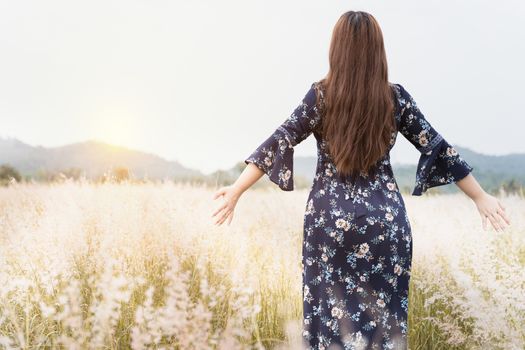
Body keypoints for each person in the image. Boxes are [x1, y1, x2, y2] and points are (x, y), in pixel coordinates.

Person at [211, 10, 511, 350]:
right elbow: (437, 146)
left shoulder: (320, 95)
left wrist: (236, 190)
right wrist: (480, 196)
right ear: (378, 51)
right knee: (385, 328)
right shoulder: (395, 97)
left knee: (329, 325)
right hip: (385, 224)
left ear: (336, 49)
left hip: (329, 225)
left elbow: (281, 138)